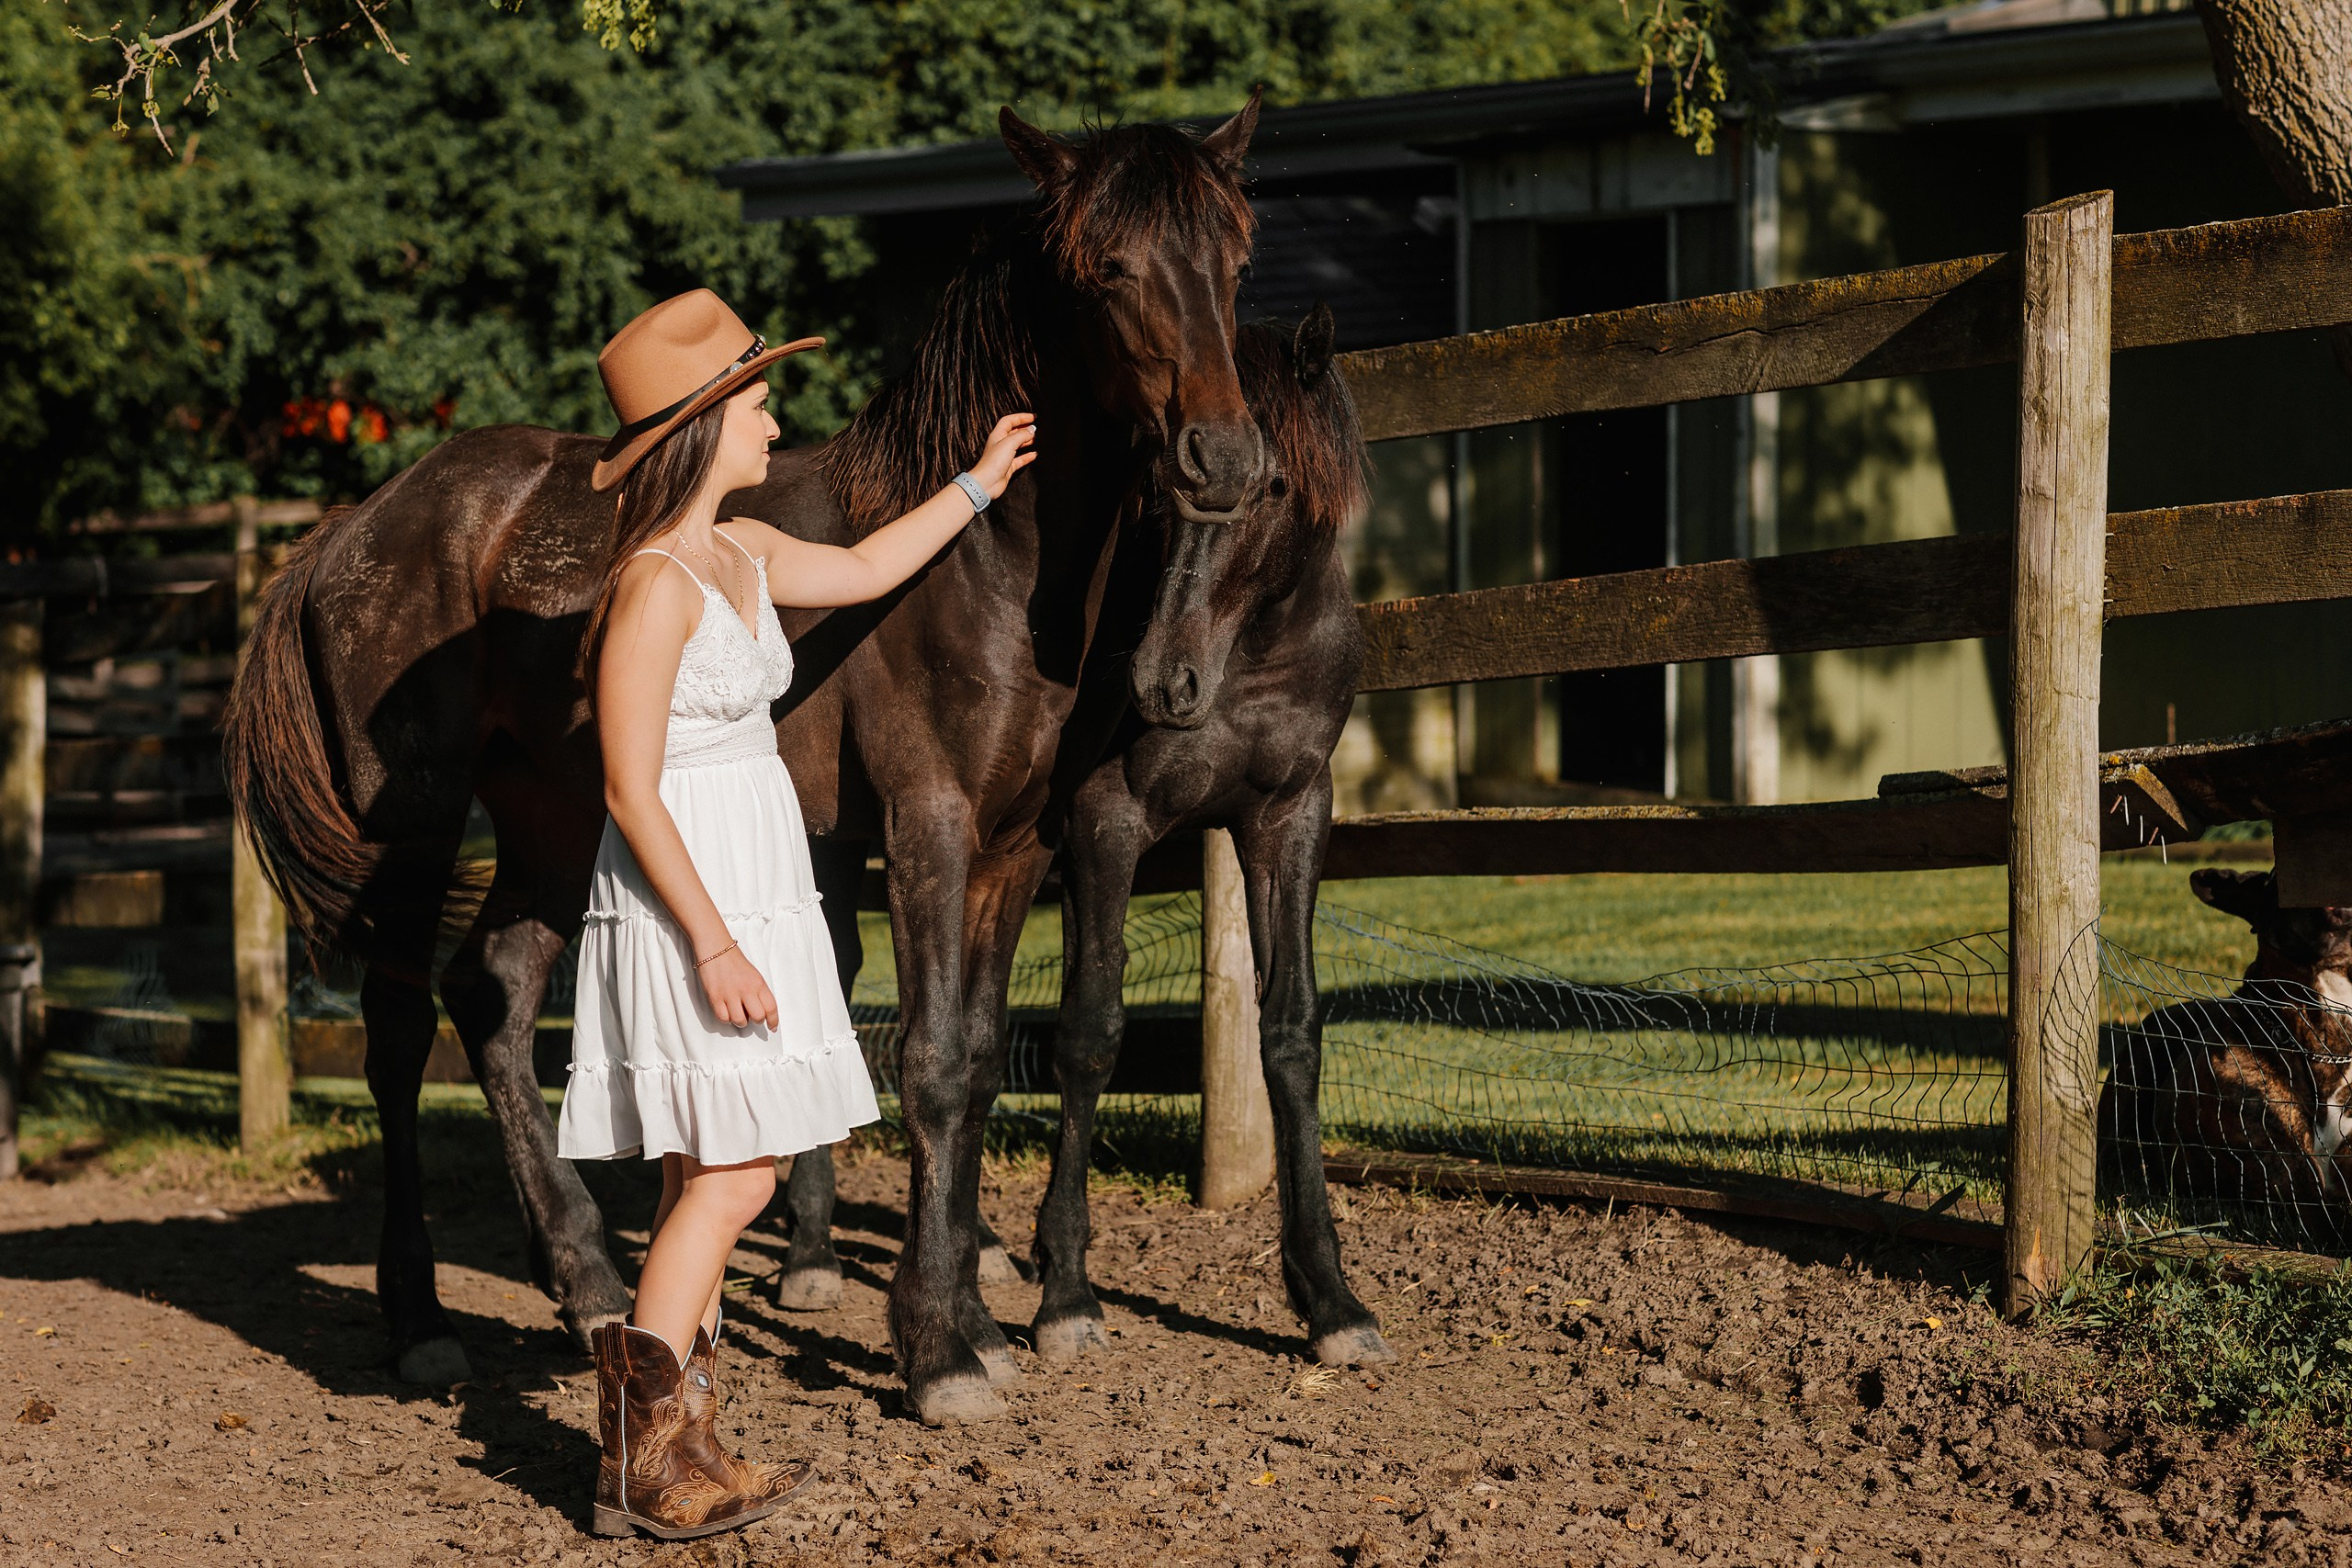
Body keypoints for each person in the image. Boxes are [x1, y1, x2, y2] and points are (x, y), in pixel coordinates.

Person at [556, 289, 1035, 1540]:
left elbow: (871, 567)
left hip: (755, 867)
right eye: (760, 405)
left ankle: (687, 1447)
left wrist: (978, 485)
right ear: (700, 428)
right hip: (689, 887)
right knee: (738, 1176)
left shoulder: (746, 549)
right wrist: (712, 941)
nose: (777, 424)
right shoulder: (655, 585)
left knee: (706, 1172)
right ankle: (636, 1461)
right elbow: (628, 786)